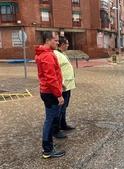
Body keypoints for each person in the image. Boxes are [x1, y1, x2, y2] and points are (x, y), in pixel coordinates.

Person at [35, 31, 65, 159]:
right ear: (48, 40)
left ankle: (48, 147)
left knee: (50, 119)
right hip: (50, 92)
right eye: (56, 40)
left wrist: (60, 85)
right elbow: (50, 78)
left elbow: (53, 75)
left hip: (47, 91)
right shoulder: (47, 56)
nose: (58, 43)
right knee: (50, 120)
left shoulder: (46, 54)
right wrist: (58, 94)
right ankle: (47, 150)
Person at [53, 36, 76, 138]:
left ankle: (63, 124)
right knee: (59, 108)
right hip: (61, 86)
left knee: (64, 107)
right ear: (62, 44)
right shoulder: (56, 54)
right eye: (67, 43)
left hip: (67, 85)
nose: (68, 45)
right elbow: (54, 71)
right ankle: (56, 130)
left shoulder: (62, 53)